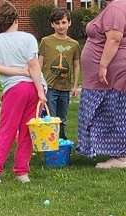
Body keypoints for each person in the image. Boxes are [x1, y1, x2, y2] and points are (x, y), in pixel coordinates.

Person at [0, 2, 46, 183]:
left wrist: (19, 73)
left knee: (7, 130)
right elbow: (34, 66)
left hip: (15, 89)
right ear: (15, 19)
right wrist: (40, 91)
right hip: (35, 88)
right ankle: (22, 173)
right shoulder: (28, 38)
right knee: (27, 132)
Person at [76, 0, 126, 169]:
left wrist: (103, 65)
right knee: (111, 111)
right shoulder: (122, 5)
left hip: (115, 69)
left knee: (114, 112)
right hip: (118, 68)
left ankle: (119, 158)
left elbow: (114, 39)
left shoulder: (116, 8)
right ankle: (116, 154)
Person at [38, 7, 80, 141]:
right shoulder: (46, 41)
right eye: (57, 23)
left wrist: (75, 86)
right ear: (52, 24)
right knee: (50, 116)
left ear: (69, 23)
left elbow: (76, 65)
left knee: (63, 117)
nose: (61, 26)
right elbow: (39, 63)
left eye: (63, 22)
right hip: (50, 86)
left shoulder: (74, 44)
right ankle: (51, 140)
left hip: (65, 88)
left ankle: (61, 139)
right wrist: (38, 84)